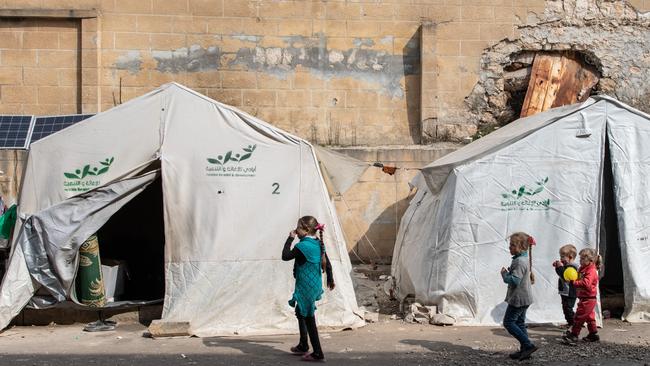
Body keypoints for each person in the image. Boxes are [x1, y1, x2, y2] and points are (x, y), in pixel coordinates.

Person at [282, 216, 335, 362]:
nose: (296, 230)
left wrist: (290, 239)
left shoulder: (302, 246)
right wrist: (330, 278)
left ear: (305, 229)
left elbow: (285, 256)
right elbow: (327, 261)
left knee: (309, 317)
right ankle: (303, 345)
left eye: (298, 228)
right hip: (313, 284)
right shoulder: (317, 243)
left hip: (306, 286)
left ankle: (318, 353)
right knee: (301, 312)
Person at [501, 232, 538, 361]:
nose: (509, 248)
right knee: (520, 323)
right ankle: (525, 350)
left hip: (519, 299)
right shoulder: (523, 259)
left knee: (509, 322)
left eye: (512, 245)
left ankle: (528, 345)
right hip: (525, 298)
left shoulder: (519, 262)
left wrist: (505, 276)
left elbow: (515, 280)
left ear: (521, 247)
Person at [562, 248, 602, 344]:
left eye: (582, 259)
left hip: (588, 298)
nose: (580, 261)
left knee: (579, 317)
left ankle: (574, 335)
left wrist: (574, 283)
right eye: (580, 258)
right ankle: (593, 334)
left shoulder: (591, 270)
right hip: (585, 297)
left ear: (590, 260)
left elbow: (587, 283)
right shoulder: (582, 268)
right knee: (589, 317)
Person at [552, 244, 579, 327]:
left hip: (570, 292)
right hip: (565, 292)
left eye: (563, 257)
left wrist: (559, 267)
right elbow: (561, 273)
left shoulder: (572, 267)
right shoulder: (566, 266)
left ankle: (574, 323)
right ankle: (572, 322)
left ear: (570, 257)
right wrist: (558, 267)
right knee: (566, 308)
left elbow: (564, 275)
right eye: (560, 256)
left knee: (568, 308)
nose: (561, 259)